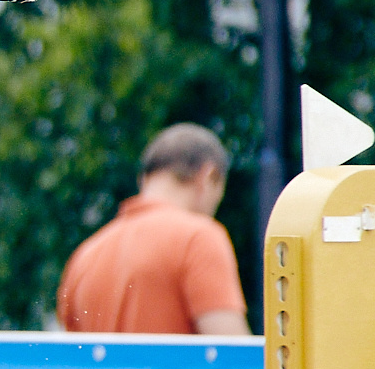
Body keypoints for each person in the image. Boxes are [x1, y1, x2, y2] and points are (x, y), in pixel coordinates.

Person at [56, 124, 252, 336]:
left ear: (145, 178)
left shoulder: (84, 255)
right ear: (208, 176)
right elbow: (231, 352)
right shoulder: (199, 237)